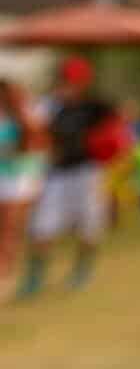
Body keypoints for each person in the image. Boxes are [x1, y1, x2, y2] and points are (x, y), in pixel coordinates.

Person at [17, 56, 123, 297]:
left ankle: (82, 270)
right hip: (56, 174)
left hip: (87, 172)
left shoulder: (95, 106)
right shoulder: (50, 106)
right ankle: (35, 276)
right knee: (42, 226)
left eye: (72, 81)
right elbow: (36, 132)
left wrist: (107, 144)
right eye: (64, 80)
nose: (67, 85)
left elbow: (120, 122)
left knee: (89, 226)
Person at [0, 78, 48, 289]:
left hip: (19, 178)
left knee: (10, 228)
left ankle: (5, 274)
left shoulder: (26, 115)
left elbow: (38, 145)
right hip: (4, 175)